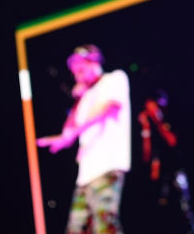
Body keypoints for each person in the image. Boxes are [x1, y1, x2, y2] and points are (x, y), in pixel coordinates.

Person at [37, 44, 131, 234]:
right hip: (85, 174)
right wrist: (78, 100)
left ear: (94, 63)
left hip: (108, 166)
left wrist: (75, 130)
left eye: (80, 69)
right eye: (74, 72)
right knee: (76, 229)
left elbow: (107, 108)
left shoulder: (114, 79)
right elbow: (69, 131)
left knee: (104, 225)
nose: (77, 76)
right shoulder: (85, 96)